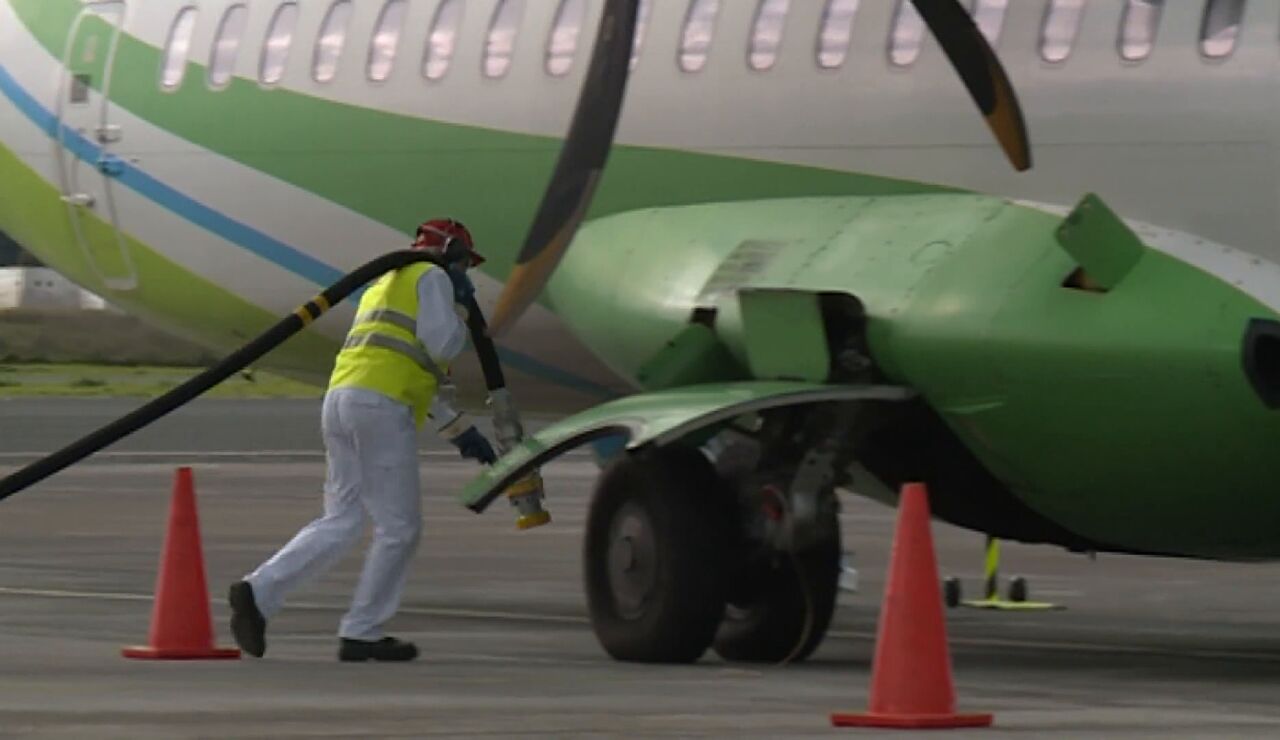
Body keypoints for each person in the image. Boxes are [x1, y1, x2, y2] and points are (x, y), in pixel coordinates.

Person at [228, 219, 497, 662]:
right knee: (400, 527)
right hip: (379, 407)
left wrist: (460, 431)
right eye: (465, 263)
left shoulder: (385, 284)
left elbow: (407, 363)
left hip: (344, 400)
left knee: (344, 518)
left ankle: (258, 592)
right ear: (450, 253)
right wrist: (461, 312)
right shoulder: (431, 277)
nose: (467, 273)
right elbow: (441, 346)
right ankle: (362, 630)